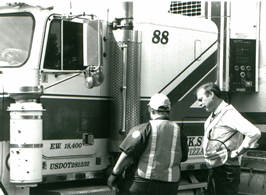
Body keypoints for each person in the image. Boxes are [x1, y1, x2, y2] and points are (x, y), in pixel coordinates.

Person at [107, 93, 188, 195]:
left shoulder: (144, 129)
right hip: (170, 186)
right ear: (169, 110)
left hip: (143, 184)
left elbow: (127, 155)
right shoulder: (179, 131)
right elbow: (183, 157)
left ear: (150, 109)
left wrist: (114, 175)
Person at [196, 82, 261, 195]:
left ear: (211, 94)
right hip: (217, 167)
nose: (200, 104)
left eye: (201, 99)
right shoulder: (216, 114)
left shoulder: (228, 113)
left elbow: (254, 133)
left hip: (226, 170)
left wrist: (237, 153)